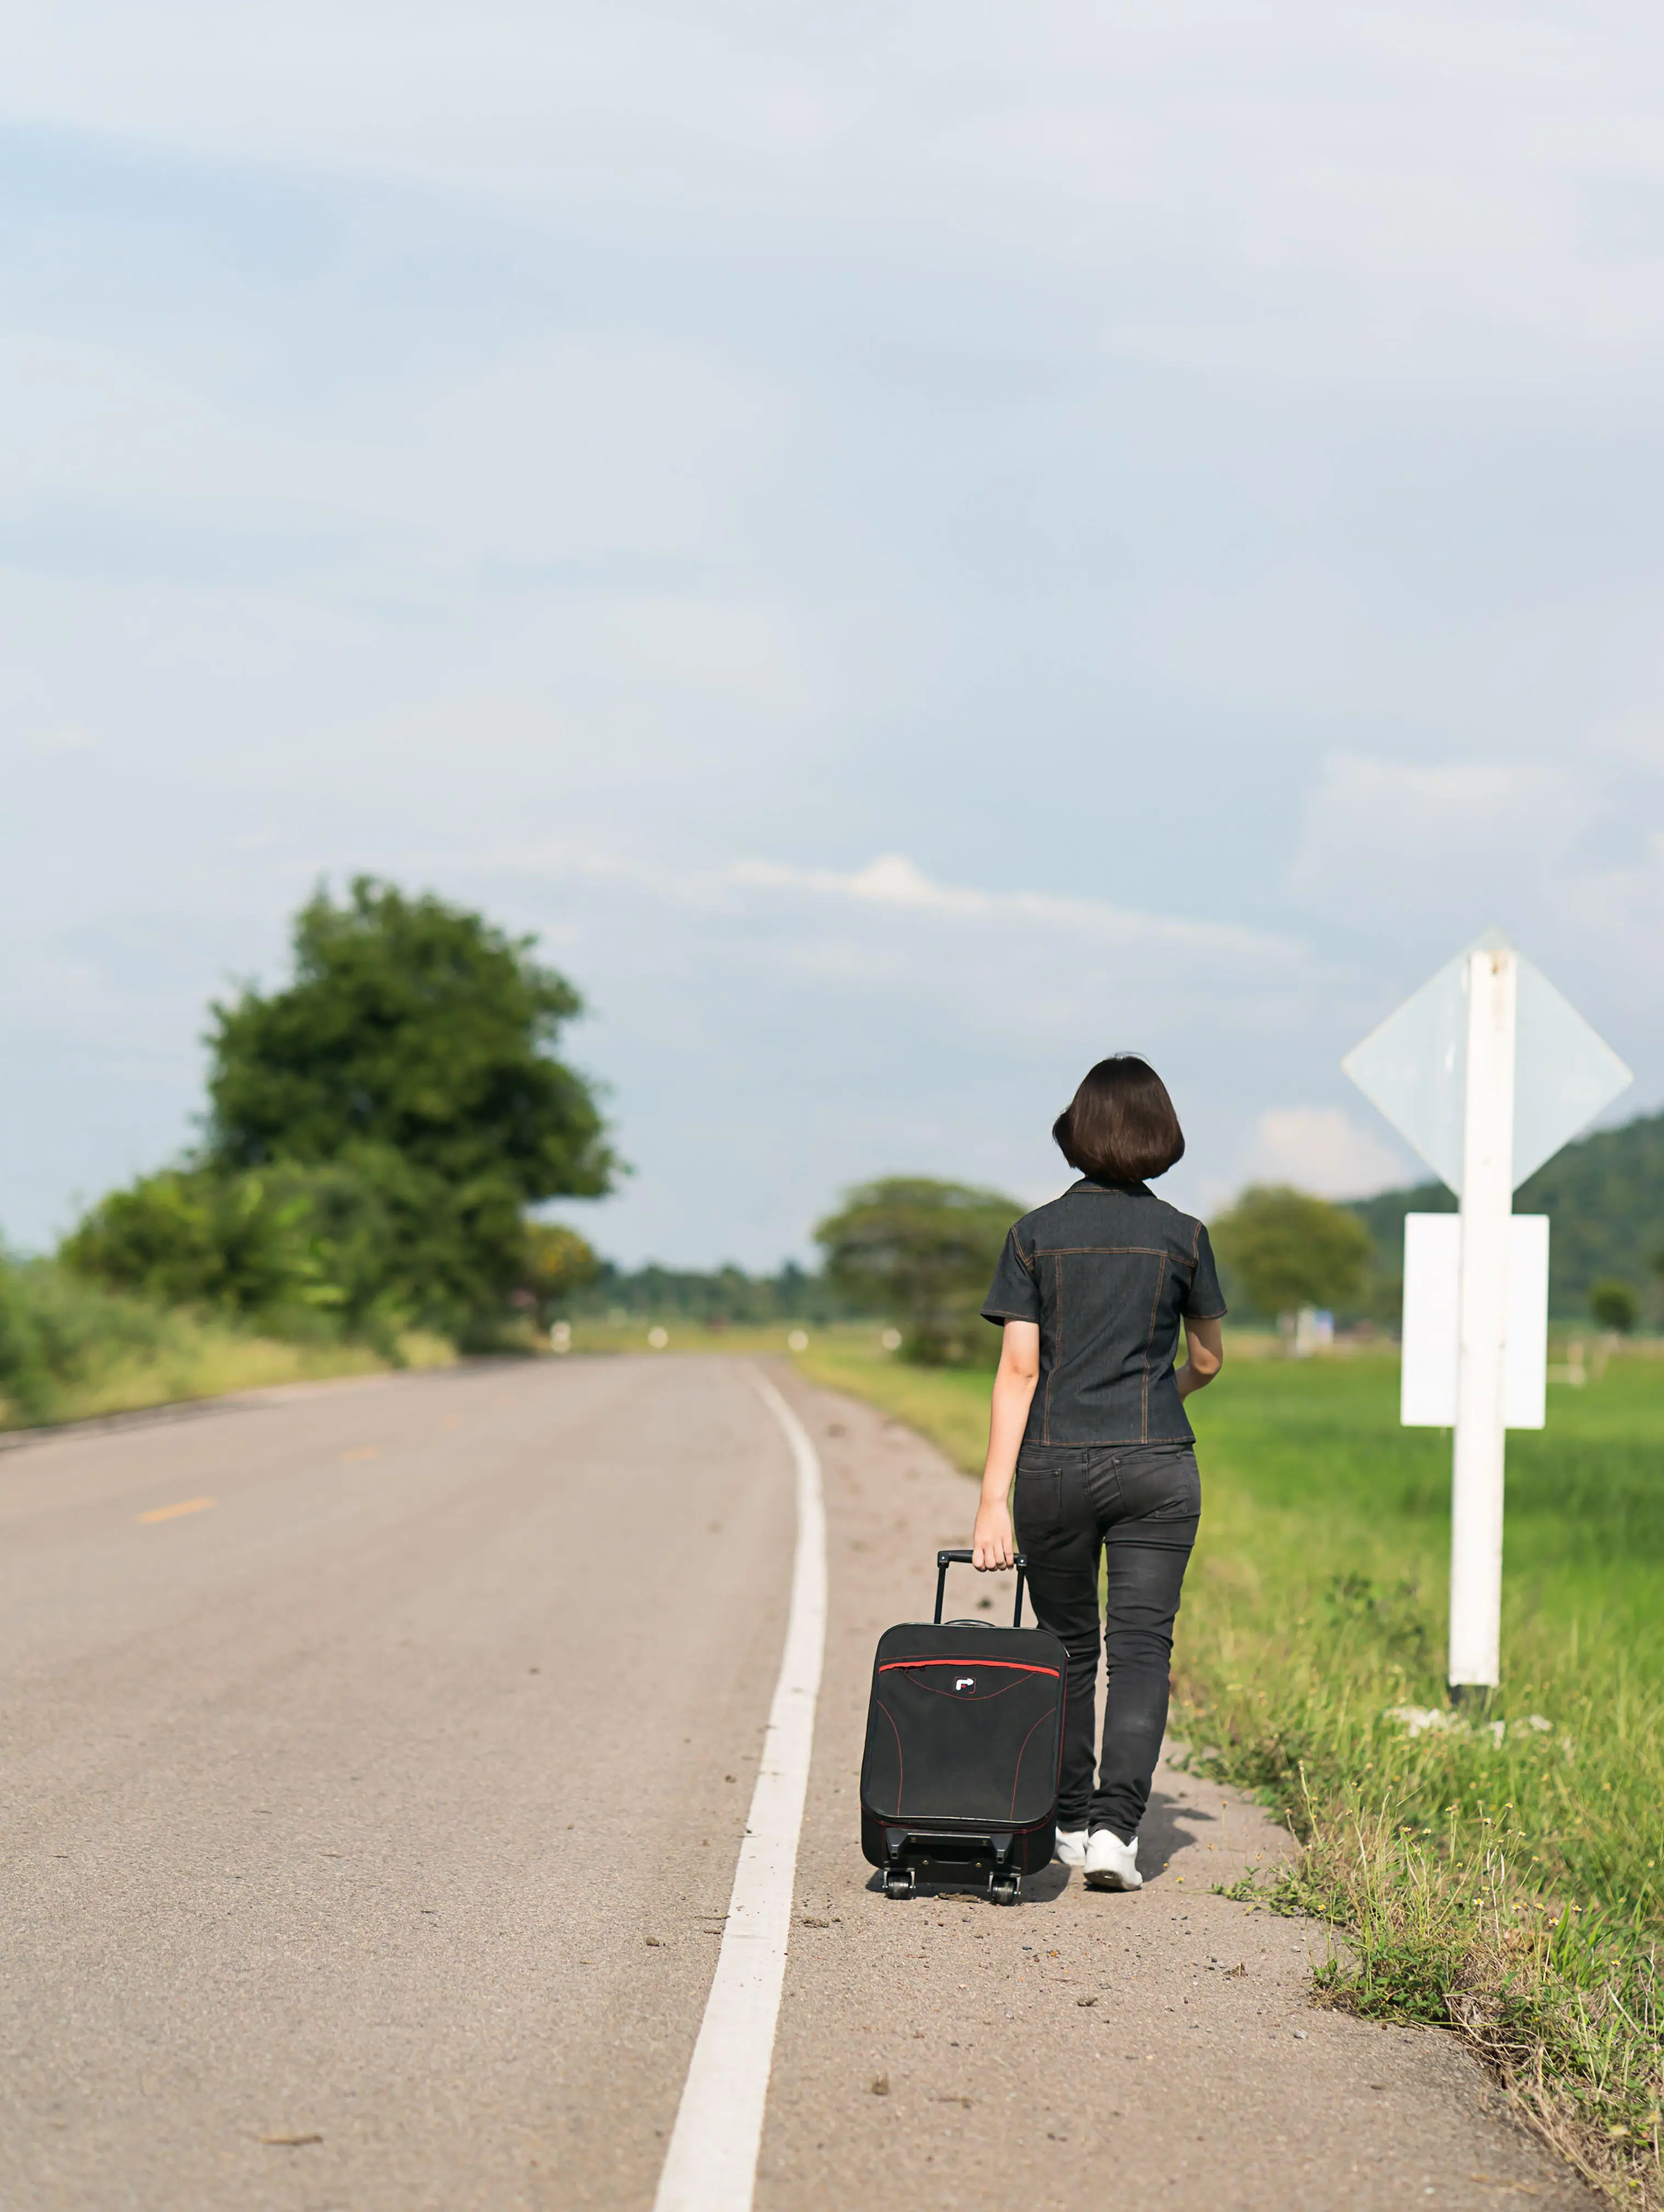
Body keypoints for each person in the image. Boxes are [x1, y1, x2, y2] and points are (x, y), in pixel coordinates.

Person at [971, 1055, 1225, 1891]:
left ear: (1075, 1132)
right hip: (1157, 1464)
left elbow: (1018, 1371)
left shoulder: (1033, 1234)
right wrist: (1159, 1393)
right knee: (1141, 1652)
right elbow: (1209, 1361)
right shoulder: (1185, 1237)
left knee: (1068, 1649)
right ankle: (1120, 1834)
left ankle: (1072, 1822)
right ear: (1162, 1136)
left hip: (1053, 1467)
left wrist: (990, 1504)